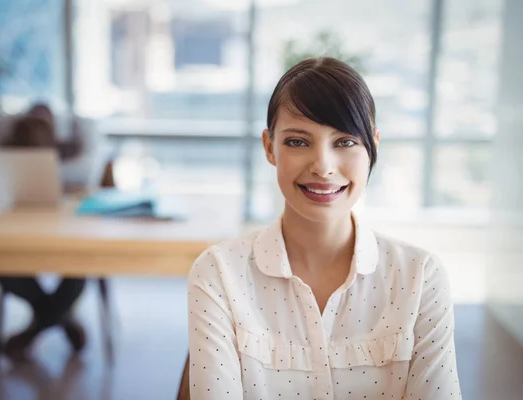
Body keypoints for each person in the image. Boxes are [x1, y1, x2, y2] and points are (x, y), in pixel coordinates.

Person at [187, 58, 462, 399]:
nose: (323, 167)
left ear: (373, 145)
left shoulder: (420, 277)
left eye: (345, 142)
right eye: (298, 142)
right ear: (269, 147)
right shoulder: (218, 274)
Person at [0, 107, 87, 361]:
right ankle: (60, 319)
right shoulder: (2, 161)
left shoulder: (73, 160)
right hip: (13, 236)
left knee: (81, 264)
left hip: (66, 238)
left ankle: (33, 330)